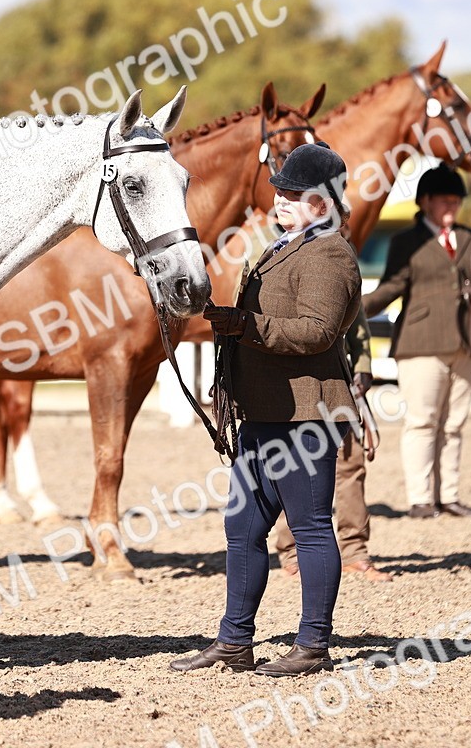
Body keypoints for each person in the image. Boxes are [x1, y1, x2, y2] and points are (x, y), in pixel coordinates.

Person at [170, 142, 361, 677]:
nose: (280, 198)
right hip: (264, 413)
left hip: (304, 415)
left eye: (293, 193)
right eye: (279, 189)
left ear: (322, 202)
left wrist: (245, 327)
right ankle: (234, 642)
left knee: (311, 529)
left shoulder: (329, 254)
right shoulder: (283, 246)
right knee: (243, 528)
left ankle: (314, 646)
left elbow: (318, 332)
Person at [362, 162, 471, 519]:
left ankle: (450, 495)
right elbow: (393, 287)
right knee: (422, 421)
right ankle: (421, 498)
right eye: (444, 201)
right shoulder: (406, 242)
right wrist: (353, 308)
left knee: (454, 424)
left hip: (467, 341)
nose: (451, 207)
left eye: (456, 201)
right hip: (421, 342)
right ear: (424, 201)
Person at [274, 222, 393, 582]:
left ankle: (355, 550)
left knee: (351, 465)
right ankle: (291, 551)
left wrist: (364, 367)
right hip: (296, 385)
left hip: (340, 383)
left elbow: (357, 327)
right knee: (293, 468)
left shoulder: (341, 257)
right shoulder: (278, 256)